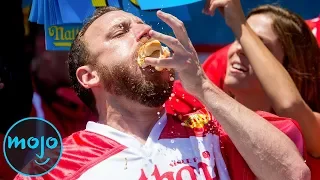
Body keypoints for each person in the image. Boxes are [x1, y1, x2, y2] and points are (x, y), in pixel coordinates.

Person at [15, 4, 310, 180]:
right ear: (89, 76)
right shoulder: (57, 167)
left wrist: (202, 85)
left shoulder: (214, 128)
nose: (144, 32)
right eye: (120, 32)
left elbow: (293, 174)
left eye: (143, 25)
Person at [169, 2, 320, 180]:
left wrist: (238, 23)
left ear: (289, 67)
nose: (240, 48)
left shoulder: (314, 131)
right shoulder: (195, 107)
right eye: (237, 39)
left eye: (257, 46)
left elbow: (290, 105)